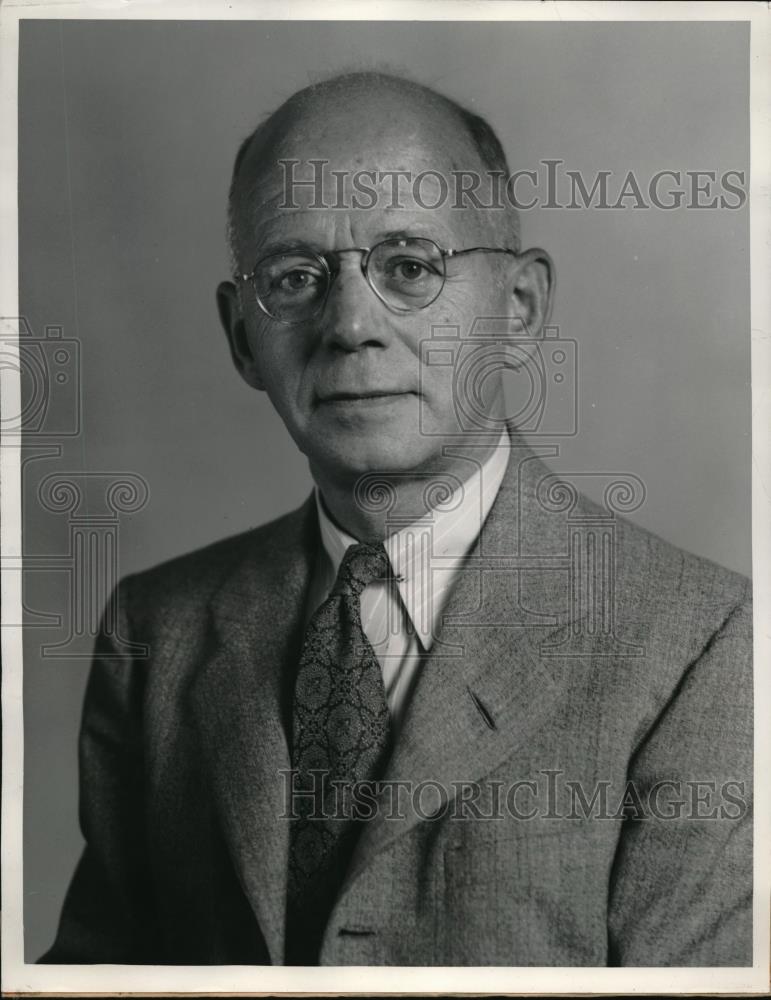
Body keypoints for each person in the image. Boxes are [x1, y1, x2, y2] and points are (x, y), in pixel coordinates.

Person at [41, 71, 752, 967]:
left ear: (519, 308)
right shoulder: (157, 630)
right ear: (239, 339)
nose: (348, 326)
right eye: (294, 277)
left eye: (409, 267)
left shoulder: (702, 643)